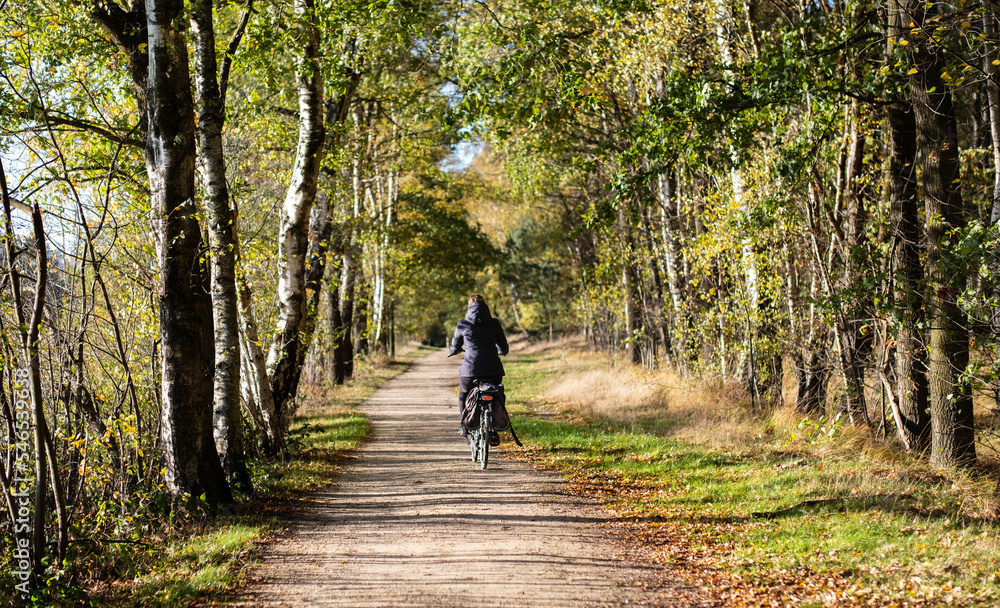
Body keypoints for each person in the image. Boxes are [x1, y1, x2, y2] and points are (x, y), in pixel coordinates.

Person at [449, 294, 509, 436]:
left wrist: (454, 350)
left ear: (469, 306)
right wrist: (501, 351)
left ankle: (465, 425)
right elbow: (504, 346)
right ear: (485, 306)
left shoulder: (462, 324)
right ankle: (494, 427)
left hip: (470, 369)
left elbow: (454, 345)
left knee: (463, 394)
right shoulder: (494, 323)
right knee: (496, 393)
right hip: (493, 369)